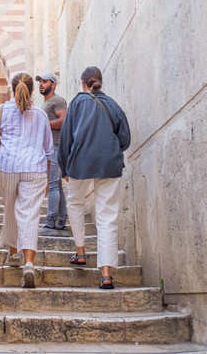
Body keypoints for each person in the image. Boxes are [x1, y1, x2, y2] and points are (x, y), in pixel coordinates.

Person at [59, 66, 130, 289]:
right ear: (100, 82)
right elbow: (125, 139)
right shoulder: (113, 104)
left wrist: (64, 167)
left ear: (83, 83)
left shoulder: (78, 103)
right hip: (110, 164)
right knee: (107, 216)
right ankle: (106, 274)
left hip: (80, 162)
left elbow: (66, 137)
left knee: (74, 202)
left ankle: (80, 251)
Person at [0, 72, 53, 288]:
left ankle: (13, 253)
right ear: (32, 90)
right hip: (35, 168)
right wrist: (48, 178)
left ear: (12, 88)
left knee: (11, 210)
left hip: (8, 166)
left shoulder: (0, 111)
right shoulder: (42, 116)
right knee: (29, 215)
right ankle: (29, 263)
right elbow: (48, 150)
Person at [35, 73, 68, 235]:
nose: (41, 84)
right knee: (57, 184)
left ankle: (50, 222)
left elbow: (64, 120)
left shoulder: (57, 100)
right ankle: (61, 220)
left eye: (44, 81)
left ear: (53, 84)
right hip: (50, 148)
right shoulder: (47, 102)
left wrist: (44, 124)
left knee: (53, 184)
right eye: (40, 82)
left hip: (56, 146)